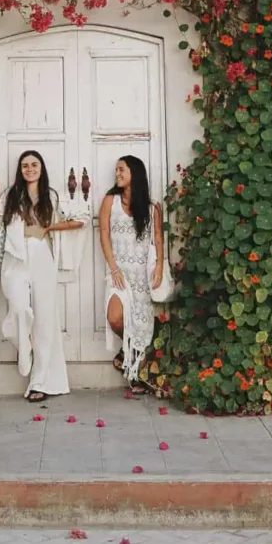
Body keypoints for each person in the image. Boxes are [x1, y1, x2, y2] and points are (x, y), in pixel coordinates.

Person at [0, 151, 84, 403]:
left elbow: (79, 220)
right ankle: (24, 348)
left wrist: (50, 227)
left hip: (41, 255)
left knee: (44, 319)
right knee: (19, 308)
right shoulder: (11, 195)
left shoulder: (51, 195)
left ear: (41, 168)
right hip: (15, 257)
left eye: (34, 165)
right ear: (20, 170)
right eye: (25, 166)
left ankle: (40, 381)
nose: (30, 169)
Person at [99, 155, 163, 390]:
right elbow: (103, 235)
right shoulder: (110, 201)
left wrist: (160, 267)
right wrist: (113, 267)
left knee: (141, 322)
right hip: (119, 273)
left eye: (121, 169)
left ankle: (137, 376)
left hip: (142, 275)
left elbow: (157, 238)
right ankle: (132, 350)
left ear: (134, 172)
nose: (117, 173)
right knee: (115, 317)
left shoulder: (151, 206)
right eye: (116, 169)